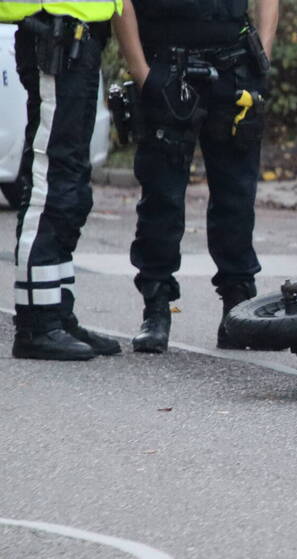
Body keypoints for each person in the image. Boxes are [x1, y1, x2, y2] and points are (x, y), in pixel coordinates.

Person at [112, 0, 278, 353]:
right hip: (167, 64)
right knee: (161, 196)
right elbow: (120, 4)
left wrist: (262, 56)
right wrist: (143, 75)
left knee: (236, 195)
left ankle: (238, 308)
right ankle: (156, 309)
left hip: (235, 64)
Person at [3, 0, 124, 360]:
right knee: (50, 180)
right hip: (54, 30)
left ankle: (56, 310)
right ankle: (37, 323)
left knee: (69, 184)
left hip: (77, 33)